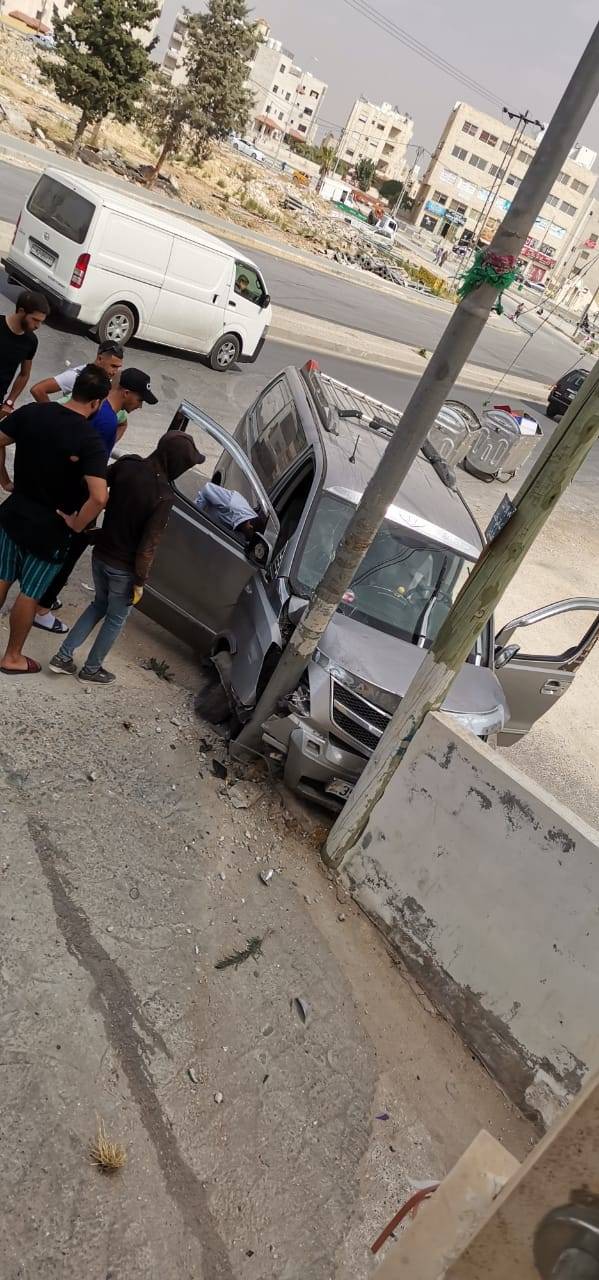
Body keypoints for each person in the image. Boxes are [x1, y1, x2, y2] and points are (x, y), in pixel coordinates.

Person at [49, 432, 204, 685]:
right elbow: (147, 546)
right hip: (124, 567)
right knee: (116, 618)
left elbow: (92, 483)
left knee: (98, 604)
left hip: (100, 554)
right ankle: (91, 669)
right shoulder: (164, 496)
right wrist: (140, 581)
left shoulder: (128, 465)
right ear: (176, 463)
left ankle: (63, 656)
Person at [0, 365, 109, 675]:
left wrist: (4, 479)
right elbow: (99, 496)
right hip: (51, 528)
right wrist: (77, 524)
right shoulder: (89, 440)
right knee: (30, 592)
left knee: (2, 576)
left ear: (72, 391)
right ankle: (12, 657)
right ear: (96, 403)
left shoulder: (34, 412)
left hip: (14, 512)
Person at [33, 366, 158, 635]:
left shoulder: (102, 413)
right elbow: (92, 465)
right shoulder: (106, 421)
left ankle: (41, 597)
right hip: (82, 495)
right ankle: (42, 607)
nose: (140, 406)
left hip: (69, 489)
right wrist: (90, 507)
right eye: (139, 399)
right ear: (126, 393)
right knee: (71, 549)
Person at [0, 290, 50, 420]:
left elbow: (24, 374)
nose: (38, 326)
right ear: (21, 311)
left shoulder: (31, 341)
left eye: (41, 322)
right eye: (35, 320)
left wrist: (9, 402)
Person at [30, 339, 124, 404]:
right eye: (113, 366)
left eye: (118, 367)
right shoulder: (76, 375)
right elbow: (38, 389)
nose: (115, 372)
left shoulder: (112, 380)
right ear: (99, 359)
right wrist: (53, 415)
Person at [195, 480, 267, 542]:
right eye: (251, 537)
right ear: (250, 527)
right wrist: (196, 513)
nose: (249, 539)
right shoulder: (230, 503)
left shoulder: (250, 523)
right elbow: (206, 490)